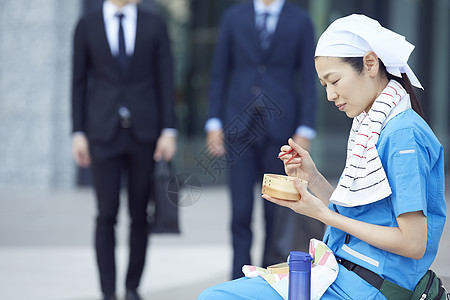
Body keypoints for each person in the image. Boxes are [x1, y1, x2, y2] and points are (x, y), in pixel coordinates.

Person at [198, 14, 446, 299]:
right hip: (346, 274)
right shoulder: (372, 125)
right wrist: (312, 177)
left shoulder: (402, 135)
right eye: (324, 85)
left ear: (370, 63)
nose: (330, 95)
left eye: (334, 81)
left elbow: (413, 243)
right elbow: (361, 213)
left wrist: (324, 215)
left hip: (370, 285)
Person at [205, 0, 321, 280]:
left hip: (282, 131)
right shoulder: (233, 16)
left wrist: (306, 127)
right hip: (239, 126)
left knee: (276, 213)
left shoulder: (300, 20)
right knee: (240, 213)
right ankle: (239, 279)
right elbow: (219, 72)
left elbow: (308, 77)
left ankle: (272, 277)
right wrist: (213, 122)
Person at [71, 0, 177, 299]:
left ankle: (132, 287)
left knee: (140, 214)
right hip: (102, 133)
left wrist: (169, 130)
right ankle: (107, 291)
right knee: (106, 214)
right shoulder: (87, 24)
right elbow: (78, 81)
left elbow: (166, 78)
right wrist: (78, 132)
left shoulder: (154, 22)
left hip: (145, 134)